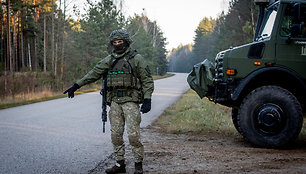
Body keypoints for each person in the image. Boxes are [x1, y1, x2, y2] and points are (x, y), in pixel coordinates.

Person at [64, 29, 154, 174]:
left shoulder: (136, 59)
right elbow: (94, 73)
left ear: (126, 42)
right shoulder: (110, 60)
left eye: (120, 42)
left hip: (131, 101)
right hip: (115, 102)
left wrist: (148, 99)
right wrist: (76, 85)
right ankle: (120, 164)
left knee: (133, 135)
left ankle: (138, 165)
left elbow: (147, 80)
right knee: (116, 135)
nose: (117, 45)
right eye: (115, 42)